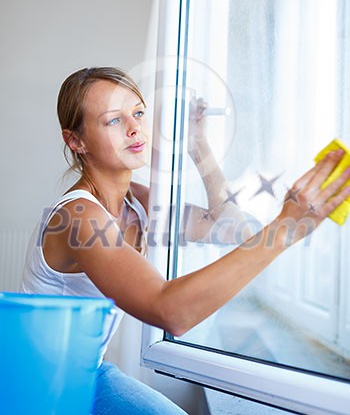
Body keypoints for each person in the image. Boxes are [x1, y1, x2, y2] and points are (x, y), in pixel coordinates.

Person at [21, 67, 350, 415]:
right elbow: (171, 311)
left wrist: (198, 147)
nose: (135, 128)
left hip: (86, 372)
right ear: (76, 141)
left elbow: (229, 227)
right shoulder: (78, 217)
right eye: (113, 121)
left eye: (138, 113)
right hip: (35, 383)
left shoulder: (137, 201)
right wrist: (284, 228)